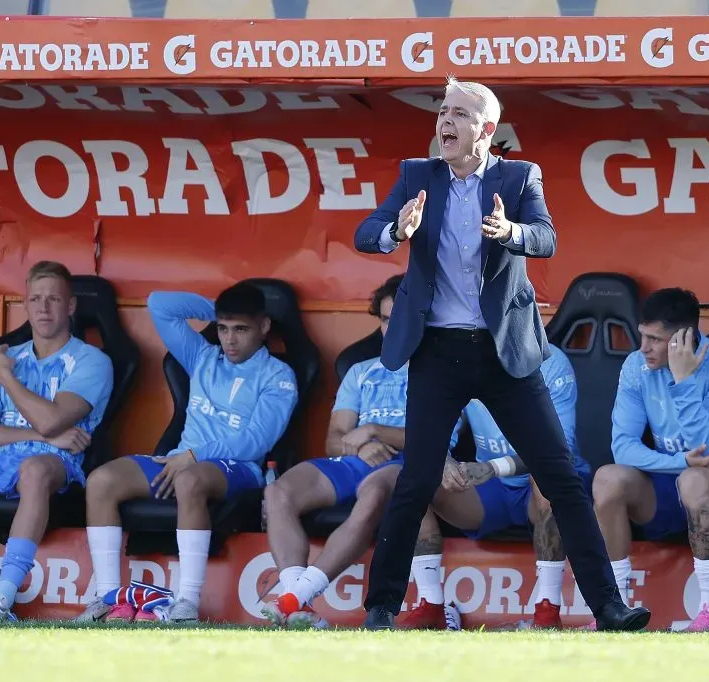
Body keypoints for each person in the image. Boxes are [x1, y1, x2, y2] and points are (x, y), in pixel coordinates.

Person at [353, 75, 648, 631]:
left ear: (485, 130)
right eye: (443, 110)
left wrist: (511, 230)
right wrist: (397, 228)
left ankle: (608, 606)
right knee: (416, 478)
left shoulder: (519, 176)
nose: (446, 120)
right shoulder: (417, 175)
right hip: (437, 351)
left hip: (504, 351)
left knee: (559, 476)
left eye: (460, 114)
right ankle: (382, 607)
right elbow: (365, 233)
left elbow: (547, 237)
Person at [77, 283, 298, 624]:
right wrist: (219, 309)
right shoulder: (203, 356)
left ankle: (186, 603)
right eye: (223, 328)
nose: (230, 339)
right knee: (101, 480)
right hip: (184, 460)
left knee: (190, 481)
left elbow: (254, 441)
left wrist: (195, 455)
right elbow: (159, 304)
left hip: (237, 469)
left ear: (265, 326)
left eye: (241, 328)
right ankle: (109, 598)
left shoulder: (278, 376)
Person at [592, 288, 709, 632]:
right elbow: (624, 449)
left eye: (655, 340)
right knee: (608, 478)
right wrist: (680, 462)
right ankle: (613, 608)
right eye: (642, 335)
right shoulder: (636, 365)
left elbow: (705, 447)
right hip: (679, 477)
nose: (643, 347)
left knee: (694, 480)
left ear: (684, 339)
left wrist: (684, 379)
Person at [0, 261, 114, 621]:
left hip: (55, 464)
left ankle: (1, 599)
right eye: (35, 298)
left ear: (70, 306)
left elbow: (52, 418)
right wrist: (42, 433)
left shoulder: (91, 361)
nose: (43, 307)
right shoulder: (8, 359)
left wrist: (6, 379)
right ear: (25, 304)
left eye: (53, 299)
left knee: (35, 469)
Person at [397, 343, 592, 630]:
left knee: (548, 478)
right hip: (492, 490)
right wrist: (442, 459)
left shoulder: (549, 361)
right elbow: (434, 432)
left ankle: (547, 610)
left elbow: (557, 451)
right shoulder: (458, 358)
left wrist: (492, 467)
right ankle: (430, 603)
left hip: (536, 484)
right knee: (416, 475)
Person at [260, 275, 407, 629]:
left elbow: (436, 439)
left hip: (408, 463)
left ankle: (293, 598)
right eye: (386, 320)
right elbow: (334, 439)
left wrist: (372, 431)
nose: (392, 328)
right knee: (277, 491)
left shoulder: (443, 372)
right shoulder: (361, 371)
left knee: (372, 493)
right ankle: (297, 604)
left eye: (401, 318)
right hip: (356, 459)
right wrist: (364, 443)